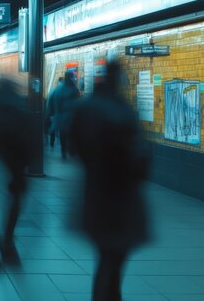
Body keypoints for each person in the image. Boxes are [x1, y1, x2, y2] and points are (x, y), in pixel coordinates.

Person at [70, 61, 151, 301]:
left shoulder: (86, 106)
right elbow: (136, 154)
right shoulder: (118, 109)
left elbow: (76, 146)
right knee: (113, 257)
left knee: (108, 255)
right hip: (118, 195)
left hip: (95, 191)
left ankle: (110, 296)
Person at [0, 77, 33, 267]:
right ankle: (7, 239)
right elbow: (28, 132)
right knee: (15, 198)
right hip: (17, 160)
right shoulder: (18, 102)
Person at [52, 71, 79, 159]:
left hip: (61, 117)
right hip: (71, 117)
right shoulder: (74, 88)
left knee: (63, 135)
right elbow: (77, 103)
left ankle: (63, 152)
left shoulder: (59, 89)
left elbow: (55, 103)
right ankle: (71, 151)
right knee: (71, 134)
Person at [45, 77, 63, 149]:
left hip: (52, 113)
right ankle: (58, 143)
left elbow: (49, 102)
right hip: (56, 113)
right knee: (58, 128)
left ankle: (52, 142)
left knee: (53, 128)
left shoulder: (52, 91)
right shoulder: (59, 91)